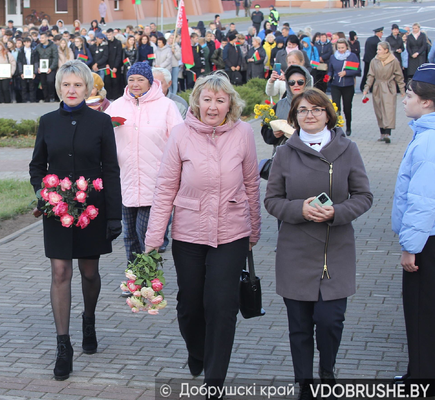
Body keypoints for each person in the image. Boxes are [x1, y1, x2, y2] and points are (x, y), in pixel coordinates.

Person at [144, 72, 260, 391]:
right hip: (189, 233)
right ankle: (197, 351)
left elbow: (251, 183)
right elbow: (166, 186)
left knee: (221, 305)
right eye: (207, 99)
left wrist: (253, 231)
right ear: (196, 102)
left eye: (220, 100)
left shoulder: (244, 133)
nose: (212, 106)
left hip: (232, 232)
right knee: (190, 306)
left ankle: (214, 378)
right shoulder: (180, 134)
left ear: (230, 105)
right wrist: (154, 238)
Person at [265, 87, 373, 400]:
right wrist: (299, 209)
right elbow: (272, 200)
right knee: (299, 326)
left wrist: (336, 212)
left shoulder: (347, 149)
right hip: (295, 251)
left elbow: (364, 196)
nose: (309, 115)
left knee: (329, 321)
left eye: (316, 110)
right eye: (302, 111)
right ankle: (304, 384)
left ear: (328, 113)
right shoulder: (285, 152)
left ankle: (327, 369)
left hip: (334, 250)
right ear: (294, 117)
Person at [28, 60, 122, 381]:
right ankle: (63, 346)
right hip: (57, 210)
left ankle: (90, 318)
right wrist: (44, 193)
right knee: (60, 271)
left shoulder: (101, 122)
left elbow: (110, 169)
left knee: (89, 271)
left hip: (91, 209)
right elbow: (36, 166)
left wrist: (114, 215)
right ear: (59, 88)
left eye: (77, 85)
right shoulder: (47, 121)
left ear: (88, 88)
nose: (71, 90)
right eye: (66, 85)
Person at [105, 62, 183, 262]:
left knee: (146, 235)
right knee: (129, 236)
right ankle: (134, 281)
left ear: (150, 82)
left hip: (155, 183)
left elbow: (179, 140)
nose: (135, 84)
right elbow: (102, 138)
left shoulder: (166, 106)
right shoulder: (117, 105)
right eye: (131, 79)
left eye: (140, 79)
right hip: (126, 181)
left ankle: (148, 282)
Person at [392, 64, 435, 396]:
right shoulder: (425, 135)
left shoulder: (427, 143)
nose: (404, 100)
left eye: (408, 95)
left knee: (420, 313)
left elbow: (422, 200)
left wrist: (410, 246)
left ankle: (420, 379)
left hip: (426, 243)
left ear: (427, 102)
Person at [363, 42, 406, 143]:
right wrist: (366, 88)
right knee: (379, 110)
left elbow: (399, 76)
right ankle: (382, 133)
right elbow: (370, 75)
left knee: (388, 109)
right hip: (377, 86)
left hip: (389, 86)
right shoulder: (374, 61)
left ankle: (387, 133)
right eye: (377, 49)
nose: (378, 51)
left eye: (380, 49)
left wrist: (402, 89)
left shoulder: (393, 60)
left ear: (386, 50)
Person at [327, 38, 361, 136]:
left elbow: (358, 71)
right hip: (335, 85)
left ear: (346, 47)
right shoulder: (333, 57)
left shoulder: (352, 56)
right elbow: (331, 70)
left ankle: (349, 127)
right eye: (339, 48)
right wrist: (328, 76)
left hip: (348, 85)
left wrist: (346, 72)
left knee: (347, 107)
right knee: (336, 107)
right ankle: (337, 127)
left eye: (343, 47)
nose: (341, 49)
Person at [35, 32, 58, 102]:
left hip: (50, 67)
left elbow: (55, 58)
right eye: (40, 38)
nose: (41, 39)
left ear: (47, 38)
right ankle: (46, 98)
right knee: (43, 83)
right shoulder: (38, 47)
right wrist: (38, 67)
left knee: (50, 81)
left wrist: (51, 68)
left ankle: (52, 96)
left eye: (42, 38)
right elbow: (36, 58)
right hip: (42, 68)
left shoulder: (53, 46)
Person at [361, 27, 383, 92]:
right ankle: (371, 87)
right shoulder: (378, 42)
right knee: (373, 74)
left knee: (366, 73)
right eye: (381, 33)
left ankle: (363, 86)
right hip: (373, 60)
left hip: (367, 59)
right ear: (379, 33)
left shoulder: (369, 39)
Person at [17, 37, 39, 103]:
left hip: (31, 70)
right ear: (23, 43)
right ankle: (24, 100)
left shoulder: (33, 51)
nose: (27, 44)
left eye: (28, 42)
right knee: (23, 86)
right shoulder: (21, 51)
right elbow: (19, 62)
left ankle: (32, 100)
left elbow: (36, 62)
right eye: (26, 42)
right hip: (24, 70)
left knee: (32, 86)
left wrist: (35, 72)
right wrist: (21, 72)